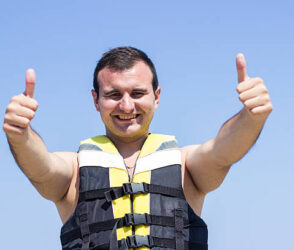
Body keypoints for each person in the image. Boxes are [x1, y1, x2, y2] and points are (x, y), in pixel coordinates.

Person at [3, 47, 272, 250]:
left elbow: (223, 151)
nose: (127, 106)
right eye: (114, 95)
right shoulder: (73, 169)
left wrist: (251, 117)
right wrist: (20, 134)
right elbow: (41, 168)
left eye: (138, 93)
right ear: (96, 100)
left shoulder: (186, 165)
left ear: (156, 96)